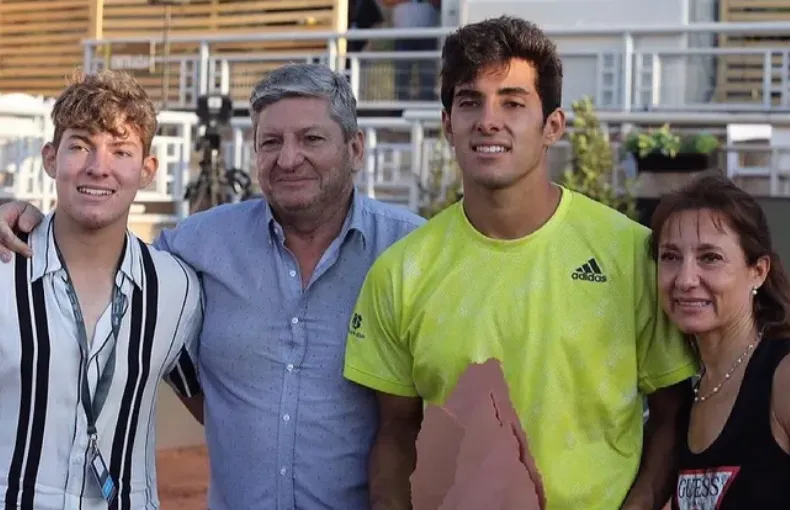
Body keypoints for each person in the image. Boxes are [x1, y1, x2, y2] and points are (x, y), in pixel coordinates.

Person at [0, 63, 425, 509]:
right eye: (271, 142)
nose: (288, 158)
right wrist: (16, 212)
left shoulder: (411, 251)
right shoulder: (195, 249)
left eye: (312, 138)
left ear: (355, 149)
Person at [343, 16, 698, 510]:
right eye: (470, 102)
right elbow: (396, 430)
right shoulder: (402, 271)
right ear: (447, 124)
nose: (489, 120)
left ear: (552, 125)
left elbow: (672, 411)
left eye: (513, 102)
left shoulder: (629, 253)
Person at [0, 69, 202, 509]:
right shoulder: (2, 268)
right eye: (80, 146)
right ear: (51, 158)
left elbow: (220, 403)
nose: (98, 166)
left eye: (121, 150)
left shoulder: (177, 288)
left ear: (147, 170)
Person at [648, 172, 790, 510]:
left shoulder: (782, 376)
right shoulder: (688, 396)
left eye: (710, 258)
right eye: (670, 257)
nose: (685, 279)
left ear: (758, 271)